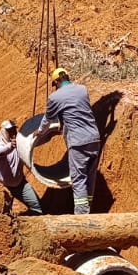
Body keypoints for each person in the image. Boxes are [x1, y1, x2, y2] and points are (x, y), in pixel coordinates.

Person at [36, 68, 102, 215]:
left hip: (78, 142)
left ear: (56, 82)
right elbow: (76, 109)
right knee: (90, 177)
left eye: (55, 84)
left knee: (78, 179)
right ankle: (88, 209)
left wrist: (39, 131)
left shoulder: (55, 97)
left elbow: (47, 119)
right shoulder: (82, 89)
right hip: (94, 138)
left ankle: (81, 218)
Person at [0, 120, 42, 216]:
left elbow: (36, 140)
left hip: (20, 184)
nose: (13, 133)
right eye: (9, 131)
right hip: (3, 186)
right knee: (2, 215)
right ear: (4, 132)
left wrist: (50, 133)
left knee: (37, 208)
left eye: (14, 130)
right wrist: (10, 146)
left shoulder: (20, 143)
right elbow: (0, 152)